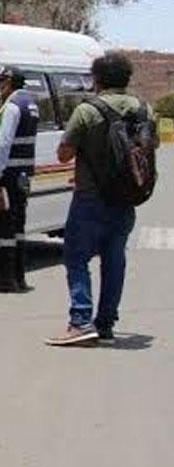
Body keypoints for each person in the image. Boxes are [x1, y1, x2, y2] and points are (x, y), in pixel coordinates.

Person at [46, 53, 153, 346]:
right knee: (114, 260)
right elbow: (150, 146)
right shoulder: (144, 109)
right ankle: (105, 324)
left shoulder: (87, 110)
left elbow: (64, 153)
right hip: (127, 197)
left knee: (76, 258)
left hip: (90, 198)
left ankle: (81, 321)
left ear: (97, 79)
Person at [0, 66, 39, 293]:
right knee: (18, 227)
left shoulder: (13, 106)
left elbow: (4, 143)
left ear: (10, 83)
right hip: (23, 175)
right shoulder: (30, 103)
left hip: (9, 174)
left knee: (2, 228)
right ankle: (18, 278)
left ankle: (2, 280)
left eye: (0, 83)